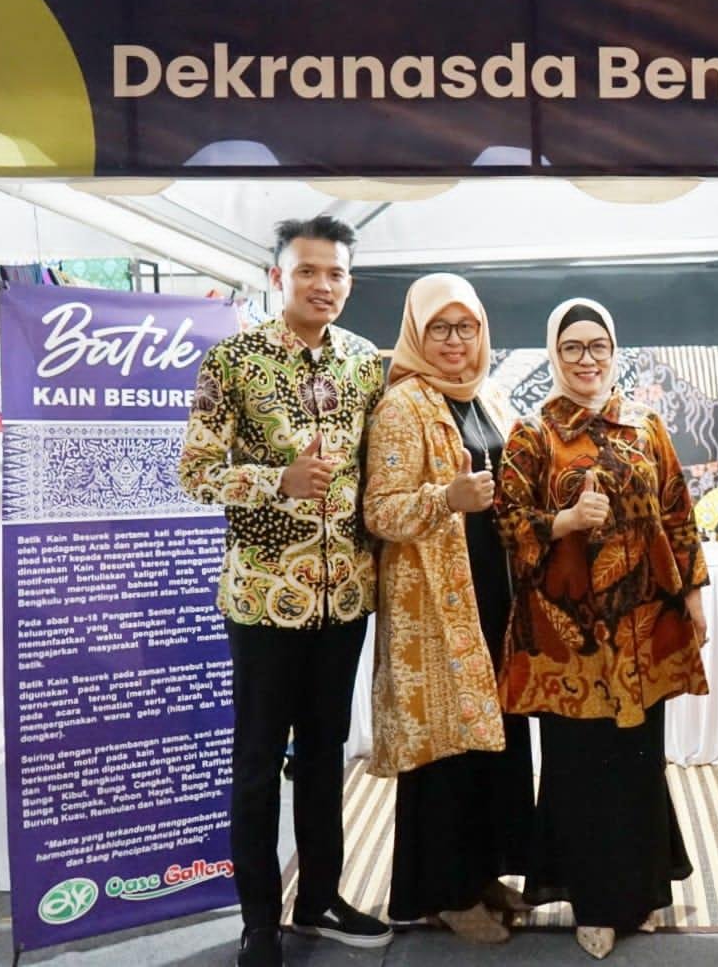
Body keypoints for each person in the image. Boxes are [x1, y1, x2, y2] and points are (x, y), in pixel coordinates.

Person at [177, 217, 389, 967]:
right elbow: (194, 470)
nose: (322, 284)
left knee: (327, 753)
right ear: (278, 276)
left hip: (344, 597)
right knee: (258, 757)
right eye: (307, 271)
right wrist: (278, 480)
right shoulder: (233, 359)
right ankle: (259, 918)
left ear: (349, 282)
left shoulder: (368, 364)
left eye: (335, 273)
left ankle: (321, 896)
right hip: (264, 599)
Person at [493, 297, 710, 960]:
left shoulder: (644, 424)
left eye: (597, 346)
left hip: (645, 627)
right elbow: (506, 524)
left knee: (640, 763)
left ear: (614, 351)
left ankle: (638, 890)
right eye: (572, 348)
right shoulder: (533, 434)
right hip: (569, 638)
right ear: (553, 356)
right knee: (579, 768)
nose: (586, 359)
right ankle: (592, 900)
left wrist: (694, 593)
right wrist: (561, 523)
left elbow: (678, 511)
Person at [363, 273, 534, 943]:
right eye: (440, 327)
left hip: (493, 596)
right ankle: (440, 892)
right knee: (444, 754)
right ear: (416, 332)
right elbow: (379, 510)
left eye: (466, 327)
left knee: (491, 743)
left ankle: (482, 873)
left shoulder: (488, 395)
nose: (455, 341)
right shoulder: (402, 405)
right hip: (432, 608)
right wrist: (445, 499)